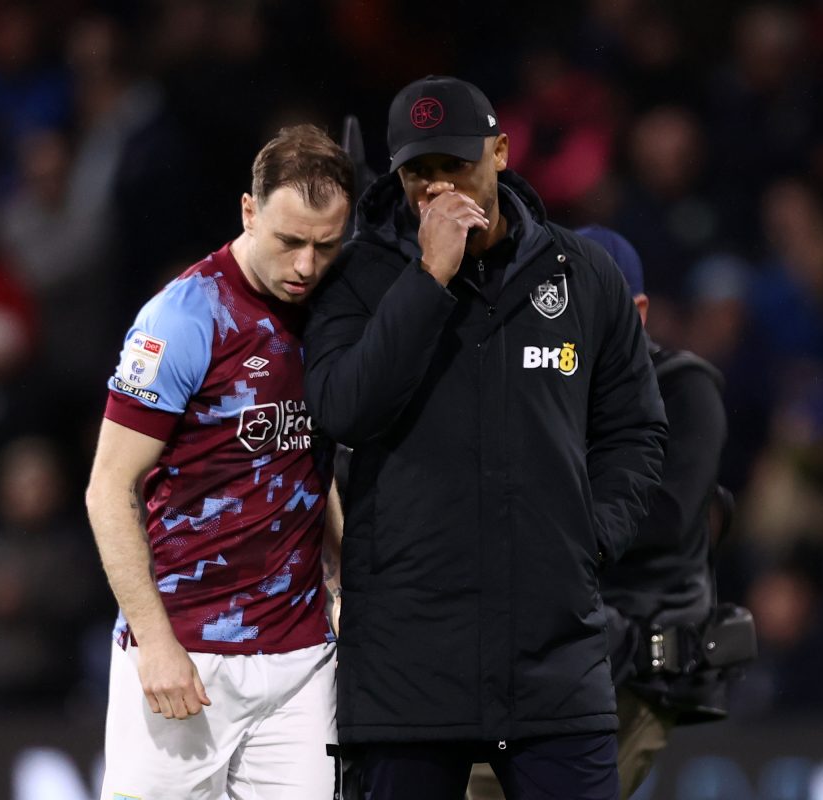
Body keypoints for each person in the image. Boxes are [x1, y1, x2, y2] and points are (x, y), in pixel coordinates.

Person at [304, 75, 668, 800]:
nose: (435, 188)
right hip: (408, 670)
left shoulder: (580, 274)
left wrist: (587, 539)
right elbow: (344, 408)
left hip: (553, 664)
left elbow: (636, 430)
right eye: (417, 172)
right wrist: (428, 276)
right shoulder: (357, 279)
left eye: (454, 165)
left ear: (499, 153)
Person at [84, 124, 354, 800]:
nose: (305, 266)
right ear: (248, 211)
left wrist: (346, 586)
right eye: (289, 241)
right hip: (188, 652)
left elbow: (314, 461)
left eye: (326, 245)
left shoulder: (334, 311)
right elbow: (108, 488)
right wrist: (155, 643)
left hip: (300, 660)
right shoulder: (183, 317)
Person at [577, 226, 752, 799]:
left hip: (635, 672)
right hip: (546, 663)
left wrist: (535, 517)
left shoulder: (683, 389)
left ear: (639, 311)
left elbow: (661, 519)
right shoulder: (533, 396)